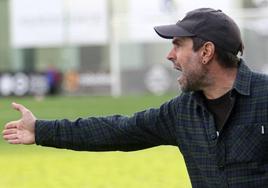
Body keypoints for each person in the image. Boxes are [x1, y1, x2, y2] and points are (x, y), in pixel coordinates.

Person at [2, 8, 268, 187]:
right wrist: (41, 130)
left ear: (207, 52)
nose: (170, 55)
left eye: (177, 44)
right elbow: (118, 130)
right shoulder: (181, 113)